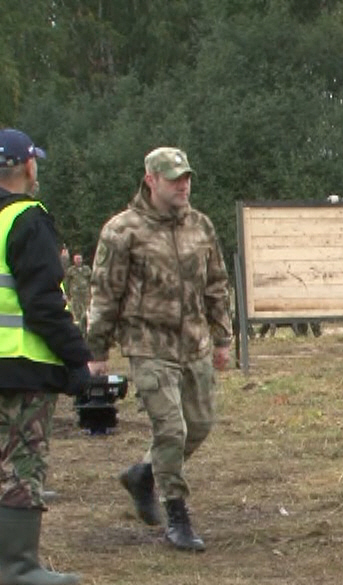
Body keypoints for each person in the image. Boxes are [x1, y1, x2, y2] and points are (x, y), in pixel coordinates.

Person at [87, 146, 233, 553]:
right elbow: (105, 292)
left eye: (186, 178)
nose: (183, 186)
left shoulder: (201, 226)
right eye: (173, 179)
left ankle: (143, 474)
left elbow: (216, 284)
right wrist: (97, 350)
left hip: (194, 344)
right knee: (171, 429)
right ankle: (177, 514)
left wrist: (222, 337)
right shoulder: (123, 231)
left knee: (198, 425)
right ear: (151, 180)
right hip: (148, 345)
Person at [0, 128, 92, 585]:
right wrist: (77, 358)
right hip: (21, 365)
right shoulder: (27, 219)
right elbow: (43, 302)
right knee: (23, 462)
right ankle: (18, 565)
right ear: (27, 166)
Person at [64, 252, 93, 332]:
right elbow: (67, 283)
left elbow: (91, 281)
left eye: (79, 259)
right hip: (75, 296)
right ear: (74, 260)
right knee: (76, 315)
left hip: (86, 296)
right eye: (76, 259)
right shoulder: (71, 270)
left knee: (86, 313)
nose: (78, 260)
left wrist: (92, 292)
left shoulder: (87, 269)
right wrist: (67, 294)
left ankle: (87, 330)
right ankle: (78, 331)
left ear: (82, 259)